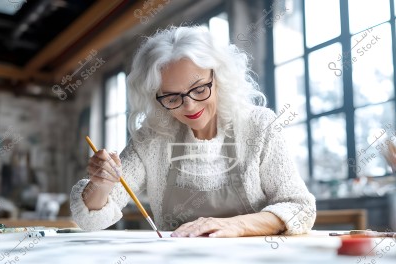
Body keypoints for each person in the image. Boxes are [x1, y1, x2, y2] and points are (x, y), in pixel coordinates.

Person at [70, 25, 316, 237]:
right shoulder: (152, 137)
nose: (190, 106)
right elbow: (91, 221)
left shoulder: (259, 126)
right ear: (156, 97)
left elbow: (300, 208)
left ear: (218, 77)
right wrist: (101, 184)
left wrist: (237, 225)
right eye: (172, 97)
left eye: (199, 89)